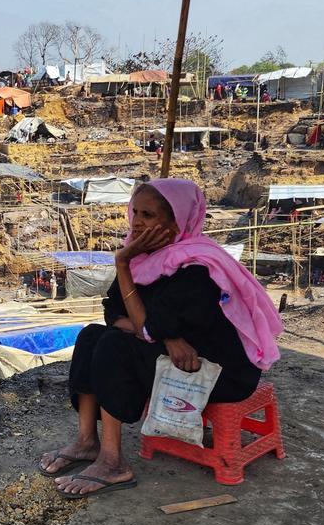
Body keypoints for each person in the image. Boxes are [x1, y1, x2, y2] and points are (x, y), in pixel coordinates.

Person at [39, 179, 283, 499]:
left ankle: (113, 462)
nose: (138, 222)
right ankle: (87, 441)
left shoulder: (197, 266)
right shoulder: (144, 258)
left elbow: (150, 328)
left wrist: (123, 265)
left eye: (149, 216)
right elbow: (112, 311)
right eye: (135, 212)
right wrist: (162, 336)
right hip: (176, 355)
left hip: (219, 370)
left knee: (114, 346)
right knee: (91, 336)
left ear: (176, 222)